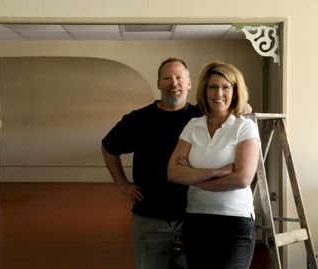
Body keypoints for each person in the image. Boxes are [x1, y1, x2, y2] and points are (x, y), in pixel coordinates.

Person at [101, 57, 202, 269]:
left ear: (189, 83)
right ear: (158, 84)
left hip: (196, 213)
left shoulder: (201, 117)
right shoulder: (138, 119)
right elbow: (109, 147)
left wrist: (245, 107)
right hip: (150, 215)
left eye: (179, 78)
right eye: (167, 78)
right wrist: (122, 183)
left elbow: (235, 111)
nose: (173, 83)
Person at [167, 61, 260, 269]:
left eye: (226, 87)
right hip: (196, 221)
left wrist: (192, 176)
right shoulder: (193, 125)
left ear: (235, 91)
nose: (219, 93)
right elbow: (173, 173)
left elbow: (243, 179)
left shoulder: (244, 127)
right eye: (213, 87)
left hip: (235, 222)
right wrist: (217, 172)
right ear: (205, 90)